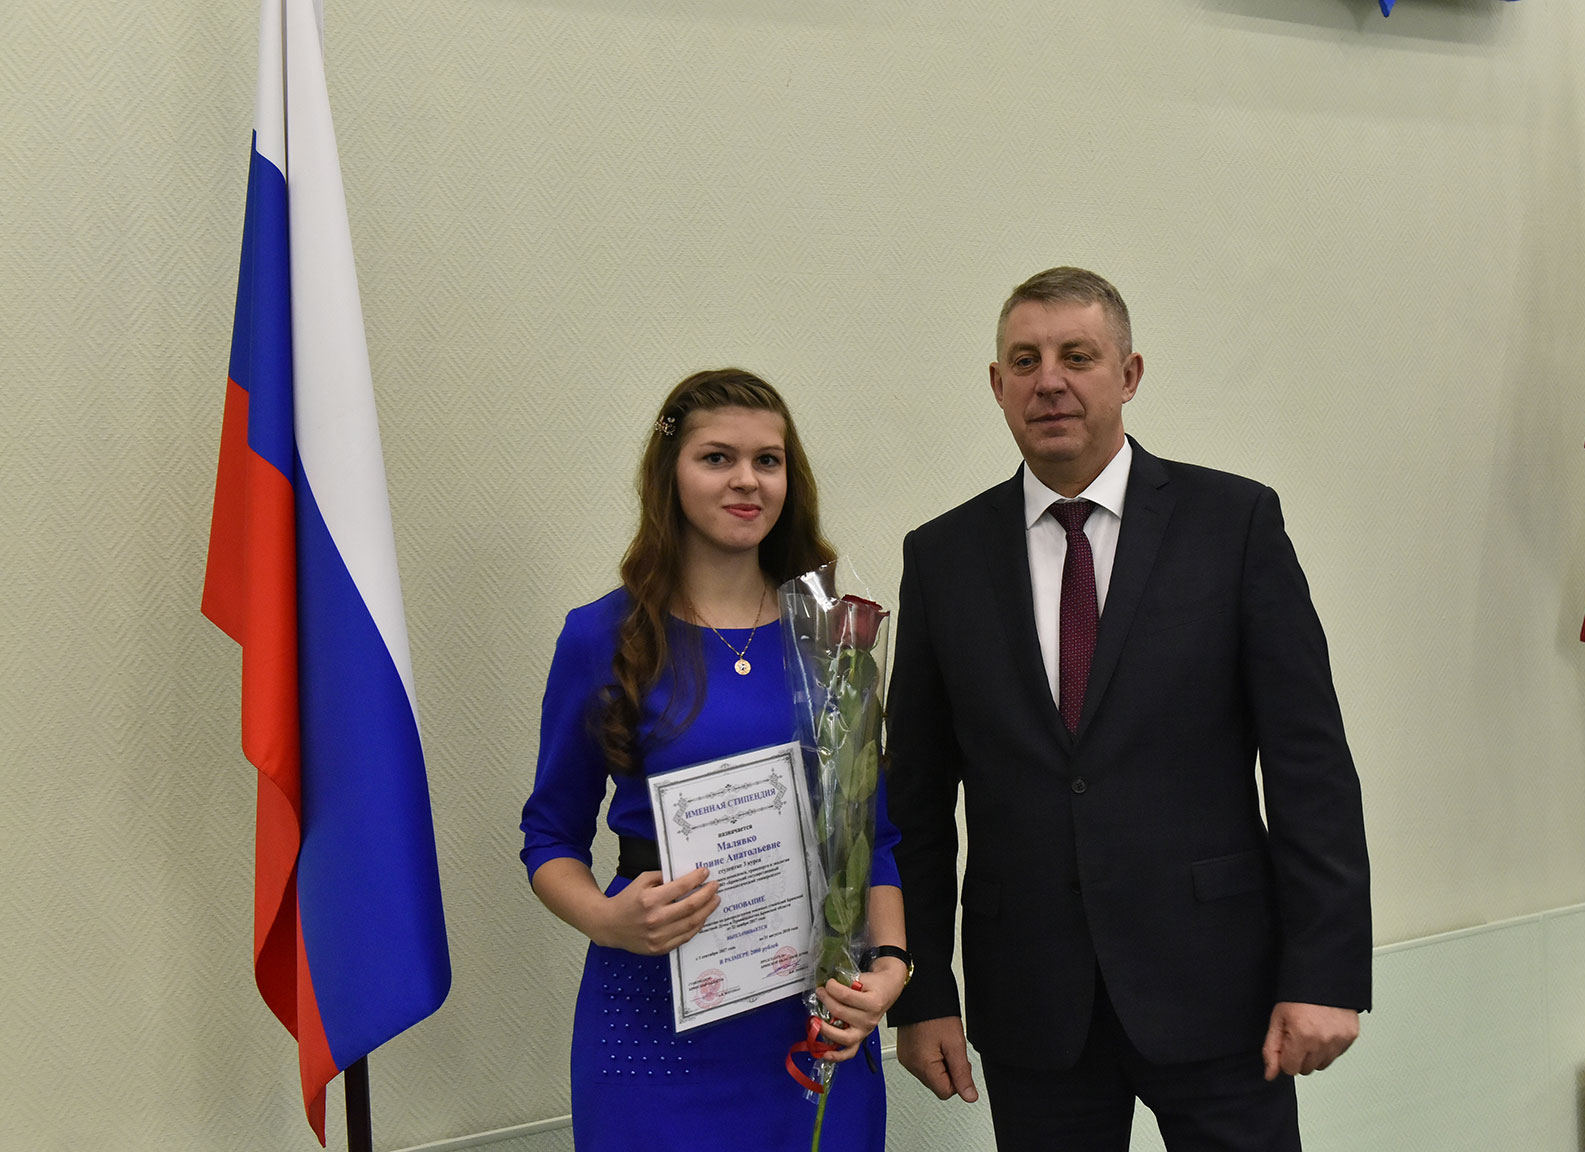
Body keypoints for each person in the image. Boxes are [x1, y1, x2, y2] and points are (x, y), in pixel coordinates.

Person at [885, 269, 1372, 1152]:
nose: (1049, 381)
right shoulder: (943, 557)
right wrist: (921, 991)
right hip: (1033, 1001)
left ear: (1130, 373)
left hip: (1218, 988)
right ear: (996, 384)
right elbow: (914, 803)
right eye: (1025, 361)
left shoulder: (1233, 524)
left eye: (1077, 356)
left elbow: (1311, 767)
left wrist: (1325, 973)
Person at [520, 368, 910, 1152]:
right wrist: (606, 918)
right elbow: (549, 837)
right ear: (670, 474)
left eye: (768, 460)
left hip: (814, 1021)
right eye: (717, 458)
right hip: (653, 1027)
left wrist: (893, 966)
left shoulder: (834, 636)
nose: (746, 480)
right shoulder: (602, 637)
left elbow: (874, 837)